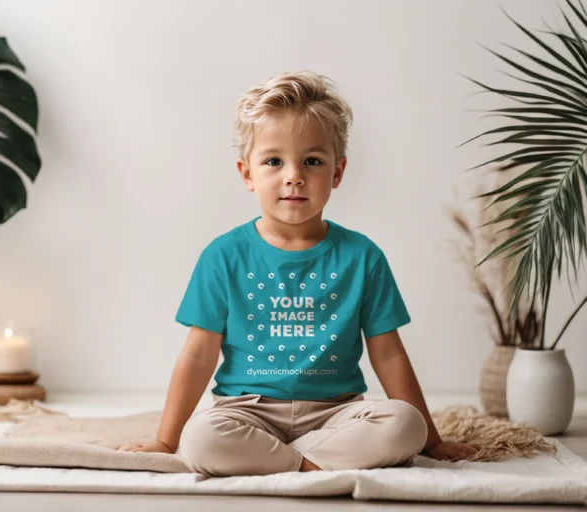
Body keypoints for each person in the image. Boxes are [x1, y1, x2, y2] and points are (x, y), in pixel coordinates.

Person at [118, 71, 478, 476]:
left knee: (403, 424)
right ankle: (314, 464)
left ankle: (278, 462)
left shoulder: (362, 257)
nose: (294, 175)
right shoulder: (223, 256)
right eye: (274, 161)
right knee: (201, 439)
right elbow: (199, 354)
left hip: (336, 414)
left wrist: (431, 439)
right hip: (247, 413)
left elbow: (389, 353)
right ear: (247, 173)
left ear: (337, 172)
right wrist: (166, 441)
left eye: (312, 161)